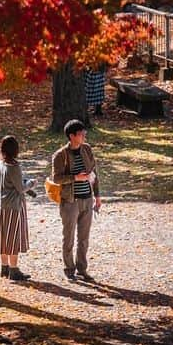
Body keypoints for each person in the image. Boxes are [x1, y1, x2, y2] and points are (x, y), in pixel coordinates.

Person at [50, 119, 101, 280]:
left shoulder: (87, 149)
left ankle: (82, 268)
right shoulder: (60, 155)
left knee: (84, 238)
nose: (84, 135)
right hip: (70, 202)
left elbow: (94, 173)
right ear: (71, 136)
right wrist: (75, 178)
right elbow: (56, 179)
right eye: (81, 133)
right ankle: (69, 270)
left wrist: (97, 196)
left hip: (87, 199)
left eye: (84, 132)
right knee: (69, 237)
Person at [0, 135, 34, 282]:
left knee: (3, 237)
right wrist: (31, 183)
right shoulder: (14, 167)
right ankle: (14, 270)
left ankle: (4, 267)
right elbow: (21, 188)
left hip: (1, 206)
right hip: (14, 207)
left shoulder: (0, 164)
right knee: (13, 238)